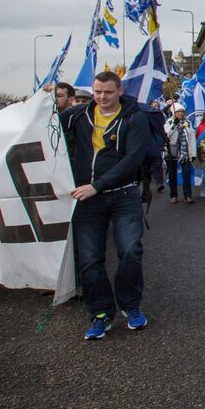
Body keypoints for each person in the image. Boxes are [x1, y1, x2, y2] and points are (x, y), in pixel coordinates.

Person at [59, 71, 149, 340]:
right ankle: (100, 313)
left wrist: (97, 185)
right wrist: (43, 99)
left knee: (130, 250)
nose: (102, 97)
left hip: (123, 195)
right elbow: (44, 125)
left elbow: (132, 159)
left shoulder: (135, 118)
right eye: (97, 92)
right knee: (89, 258)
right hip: (87, 199)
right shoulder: (78, 115)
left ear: (120, 90)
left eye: (107, 92)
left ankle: (130, 305)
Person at [164, 104, 197, 204]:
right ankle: (173, 195)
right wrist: (174, 124)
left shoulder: (188, 122)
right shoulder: (169, 122)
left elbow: (191, 138)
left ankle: (188, 195)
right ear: (174, 113)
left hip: (185, 152)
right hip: (172, 152)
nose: (180, 113)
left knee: (186, 173)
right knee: (172, 174)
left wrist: (193, 153)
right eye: (178, 112)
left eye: (182, 111)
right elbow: (167, 135)